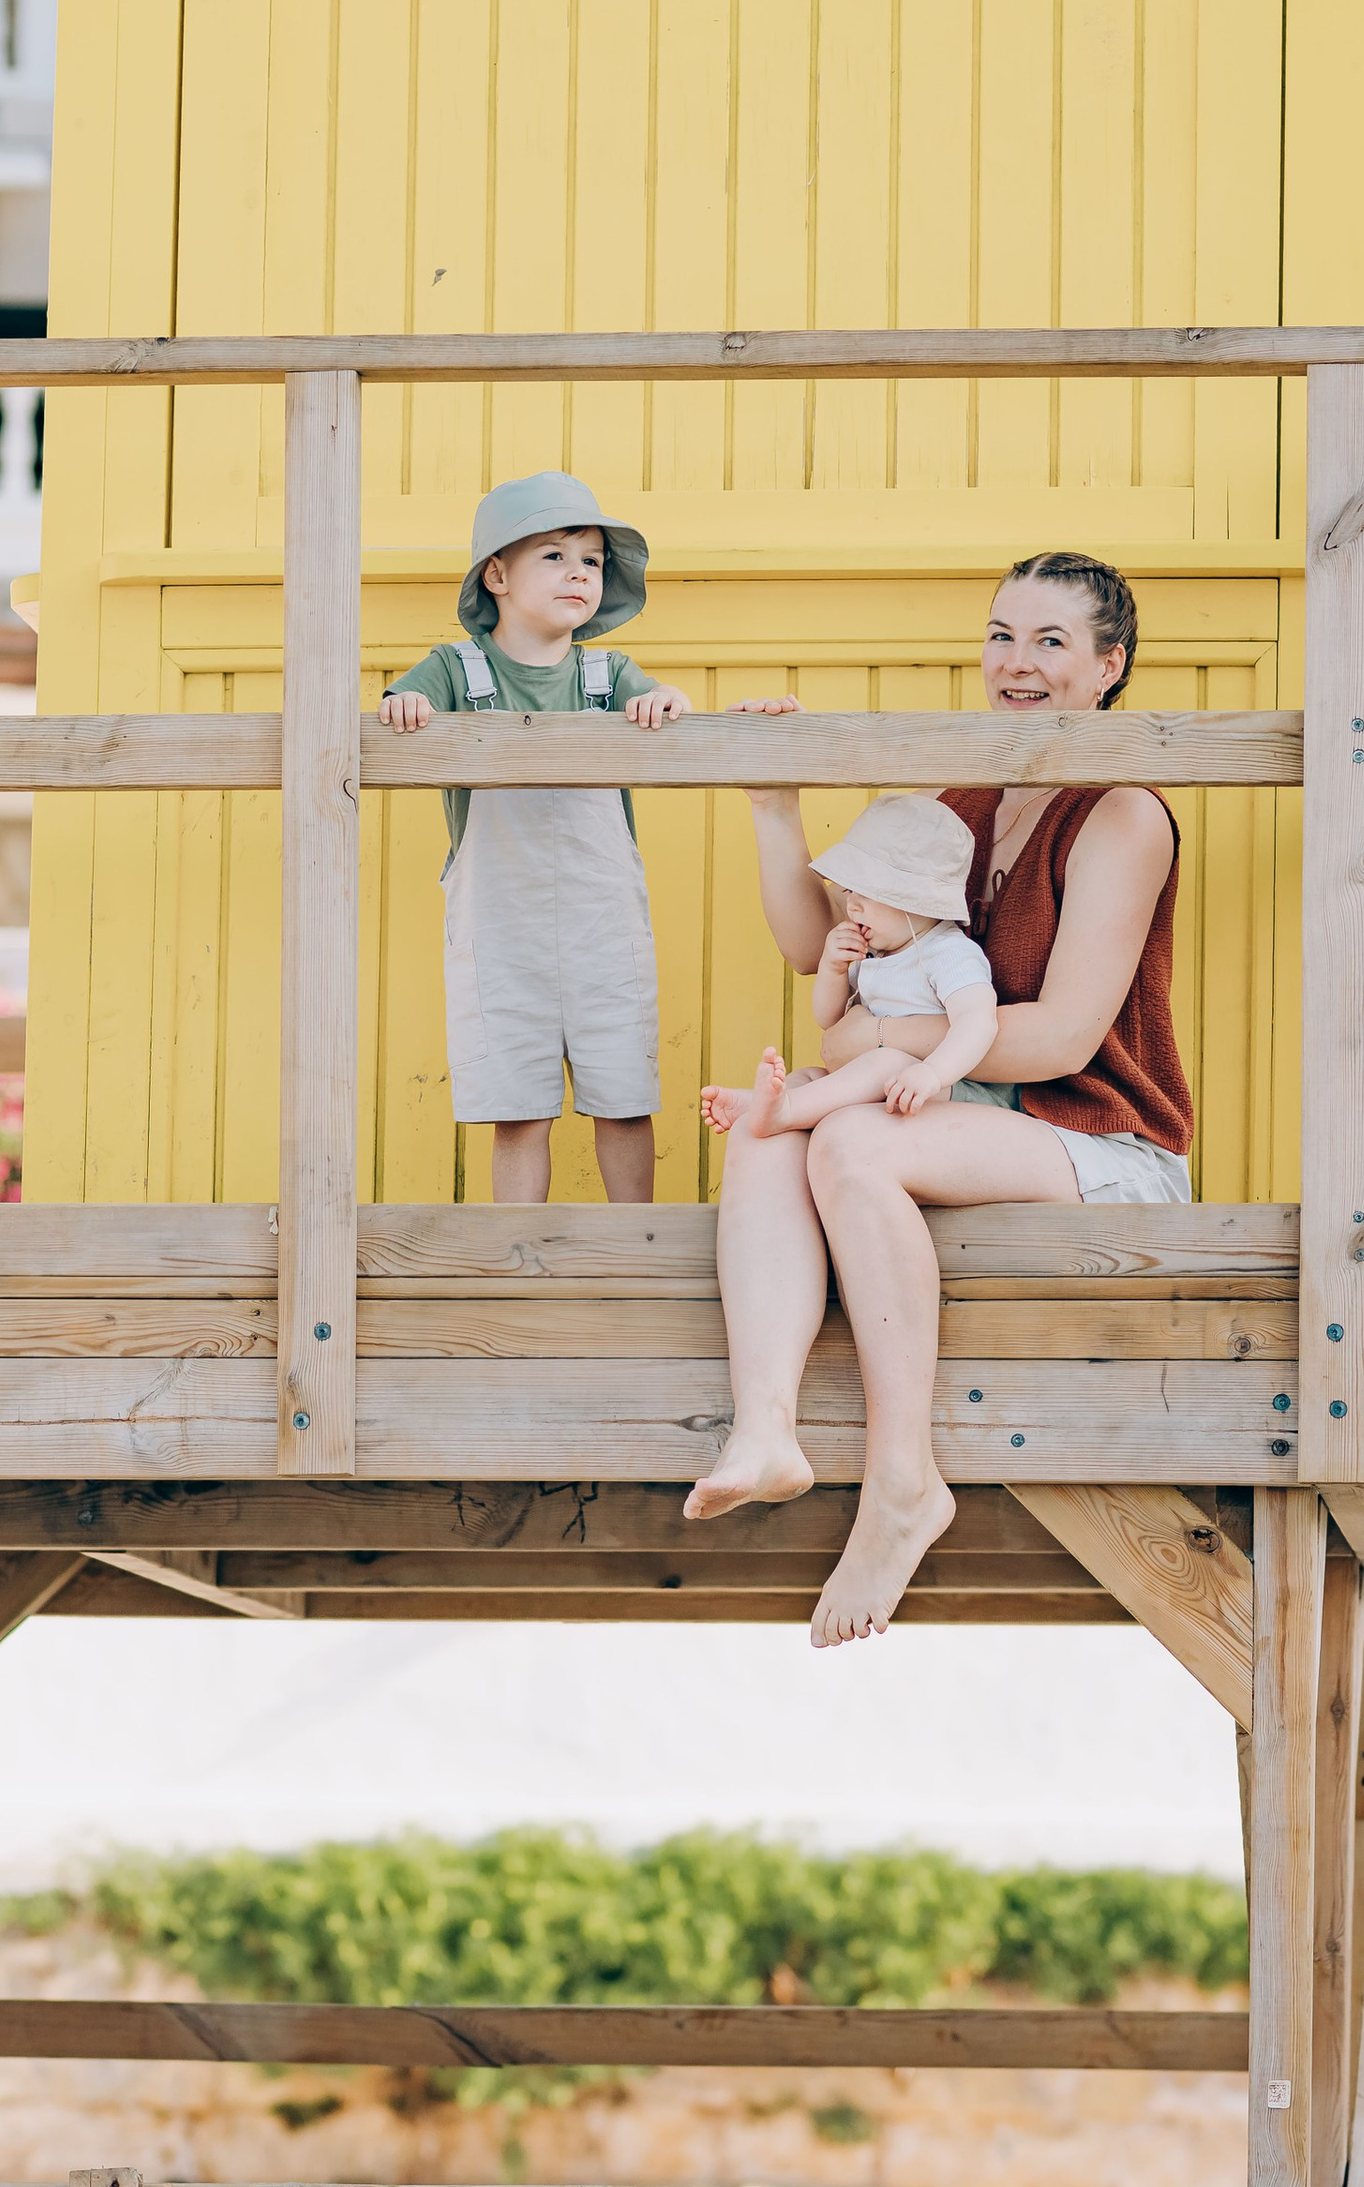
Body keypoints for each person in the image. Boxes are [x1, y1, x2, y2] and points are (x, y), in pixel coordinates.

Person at [687, 552, 1192, 1647]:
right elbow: (815, 944)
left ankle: (902, 1482)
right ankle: (764, 1425)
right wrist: (776, 804)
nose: (1017, 663)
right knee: (779, 1125)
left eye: (1052, 643)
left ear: (1108, 669)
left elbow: (1060, 1034)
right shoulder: (954, 798)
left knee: (852, 1136)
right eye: (1003, 635)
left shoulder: (1121, 813)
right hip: (959, 1112)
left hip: (1096, 1136)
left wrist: (871, 1039)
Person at [379, 472, 691, 1204]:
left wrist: (664, 700)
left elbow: (660, 704)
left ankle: (632, 1247)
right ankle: (516, 1250)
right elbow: (399, 703)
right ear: (497, 575)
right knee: (516, 1108)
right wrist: (409, 706)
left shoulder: (608, 674)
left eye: (591, 559)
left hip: (602, 930)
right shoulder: (456, 670)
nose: (579, 571)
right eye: (553, 555)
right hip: (501, 933)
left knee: (622, 1097)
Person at [701, 793, 997, 1139]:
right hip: (883, 1083)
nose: (851, 905)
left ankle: (787, 1110)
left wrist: (932, 1074)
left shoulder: (947, 952)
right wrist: (833, 969)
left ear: (917, 898)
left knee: (885, 1060)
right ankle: (763, 1105)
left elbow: (979, 1022)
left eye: (866, 893)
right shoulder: (876, 950)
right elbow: (829, 1021)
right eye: (849, 890)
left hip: (952, 1092)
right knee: (811, 1077)